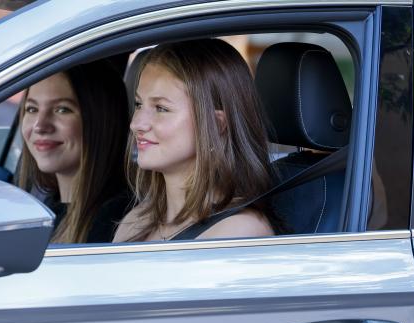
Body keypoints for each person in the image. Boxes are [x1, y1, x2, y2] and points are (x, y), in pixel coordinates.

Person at [113, 39, 280, 242]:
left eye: (161, 109)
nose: (136, 124)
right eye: (139, 104)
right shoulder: (136, 221)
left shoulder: (238, 232)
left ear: (217, 125)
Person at [16, 60, 131, 243]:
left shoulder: (113, 220)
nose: (40, 126)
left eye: (62, 109)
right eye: (32, 109)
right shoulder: (48, 205)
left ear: (101, 120)